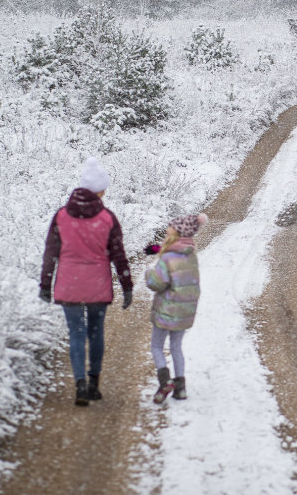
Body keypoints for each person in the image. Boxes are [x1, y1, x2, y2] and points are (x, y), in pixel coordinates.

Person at [40, 157, 133, 406]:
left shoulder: (61, 216)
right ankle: (94, 383)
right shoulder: (107, 218)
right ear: (101, 189)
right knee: (96, 332)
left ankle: (79, 384)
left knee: (77, 334)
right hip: (97, 286)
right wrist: (127, 287)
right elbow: (118, 255)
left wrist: (45, 285)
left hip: (69, 284)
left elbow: (50, 253)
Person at [145, 212, 207, 404]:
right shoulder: (191, 256)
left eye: (170, 227)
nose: (167, 229)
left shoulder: (168, 257)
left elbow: (158, 283)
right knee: (176, 347)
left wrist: (149, 274)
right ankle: (180, 387)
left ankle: (164, 382)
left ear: (178, 232)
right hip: (184, 311)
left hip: (166, 310)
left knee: (156, 346)